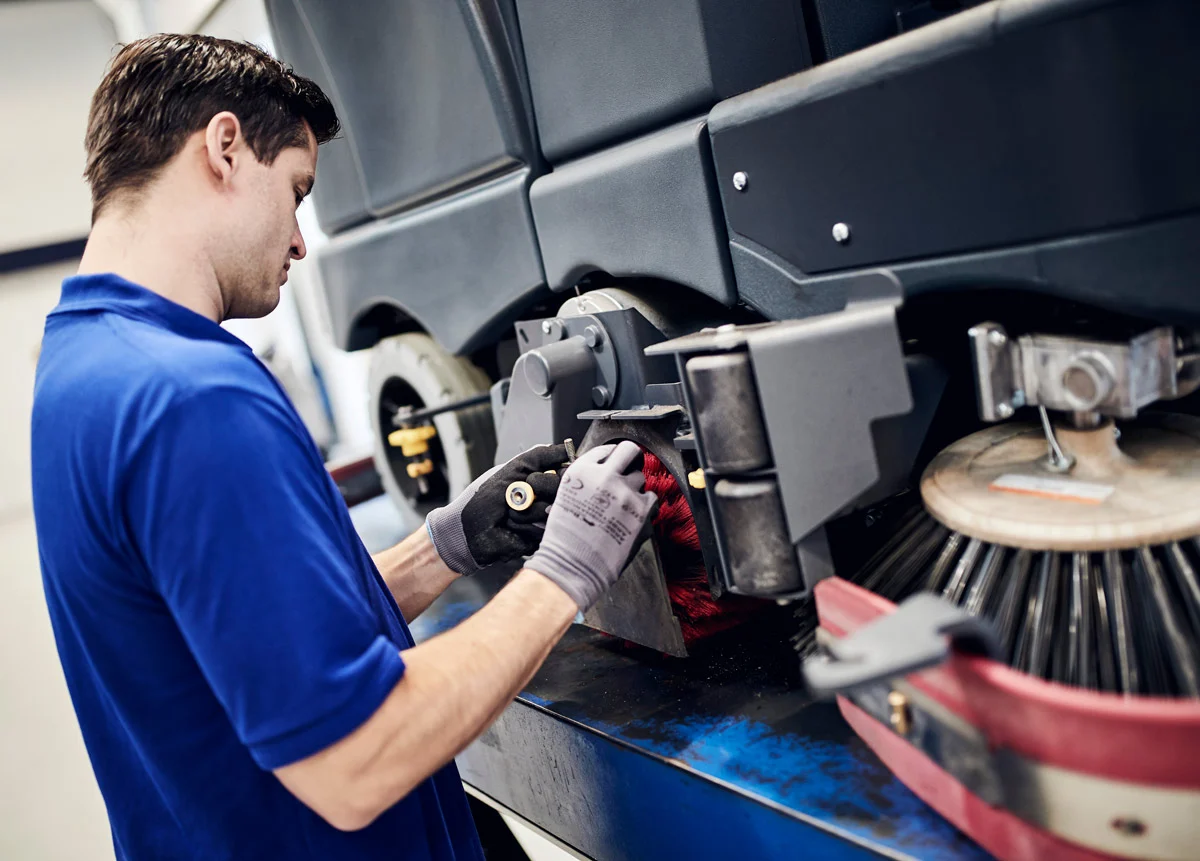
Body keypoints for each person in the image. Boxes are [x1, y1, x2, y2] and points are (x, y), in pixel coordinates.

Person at [30, 34, 657, 861]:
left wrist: (444, 546)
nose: (298, 241)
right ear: (224, 147)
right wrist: (564, 572)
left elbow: (250, 644)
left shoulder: (81, 366)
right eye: (295, 191)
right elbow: (356, 758)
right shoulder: (192, 396)